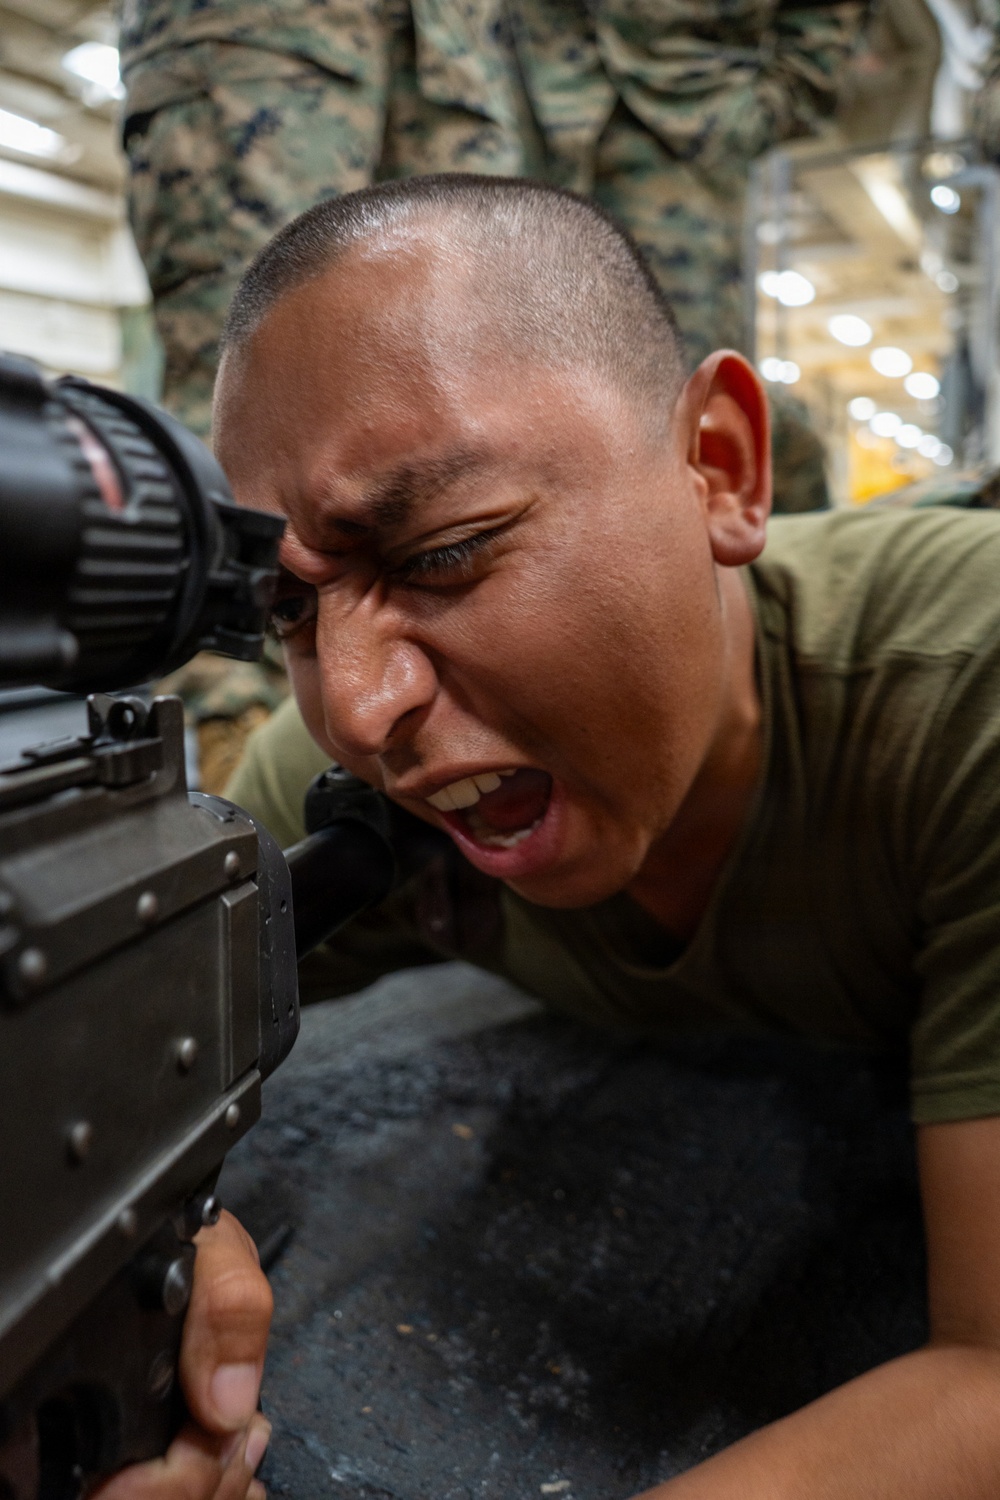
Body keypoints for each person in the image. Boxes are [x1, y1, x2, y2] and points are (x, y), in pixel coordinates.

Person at [102, 175, 1000, 1500]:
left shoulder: (963, 693)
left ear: (722, 468)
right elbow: (117, 1053)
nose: (359, 705)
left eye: (449, 555)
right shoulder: (349, 768)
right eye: (289, 615)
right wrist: (150, 1248)